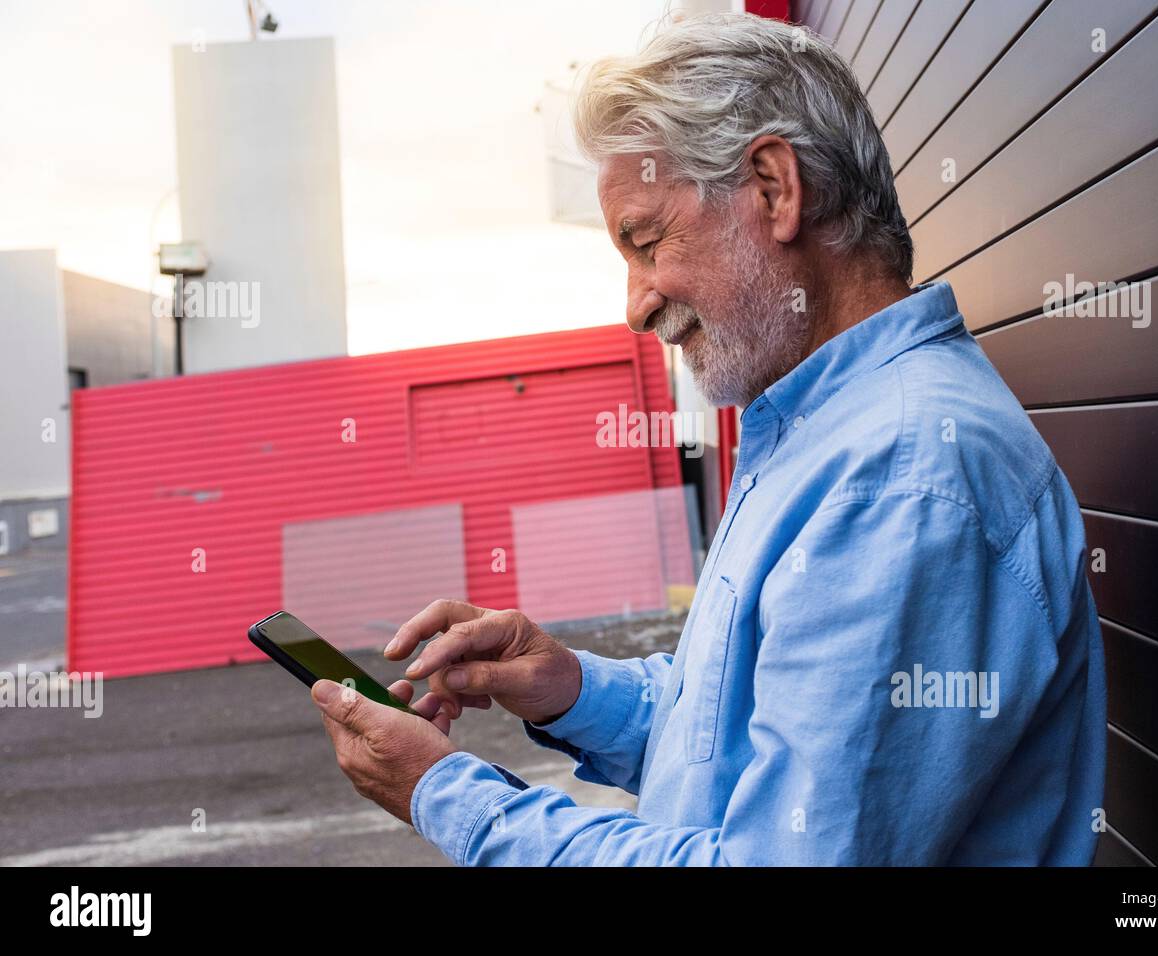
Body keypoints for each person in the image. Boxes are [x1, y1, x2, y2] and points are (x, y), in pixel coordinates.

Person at [312, 11, 1106, 866]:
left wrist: (449, 798)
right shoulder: (825, 436)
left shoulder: (902, 477)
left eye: (646, 242)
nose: (637, 304)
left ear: (773, 187)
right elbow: (747, 743)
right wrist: (568, 689)